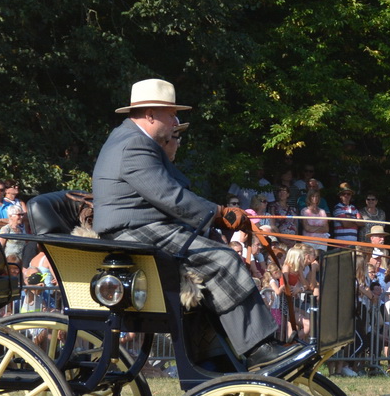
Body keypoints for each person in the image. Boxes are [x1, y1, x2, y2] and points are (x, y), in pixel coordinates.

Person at [91, 78, 307, 373]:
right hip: (133, 233)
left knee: (218, 250)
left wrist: (213, 223)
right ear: (151, 114)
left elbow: (171, 193)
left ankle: (214, 355)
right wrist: (218, 213)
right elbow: (169, 196)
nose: (174, 122)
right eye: (170, 115)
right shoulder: (133, 146)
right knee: (223, 259)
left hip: (145, 227)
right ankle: (259, 350)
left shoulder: (135, 141)